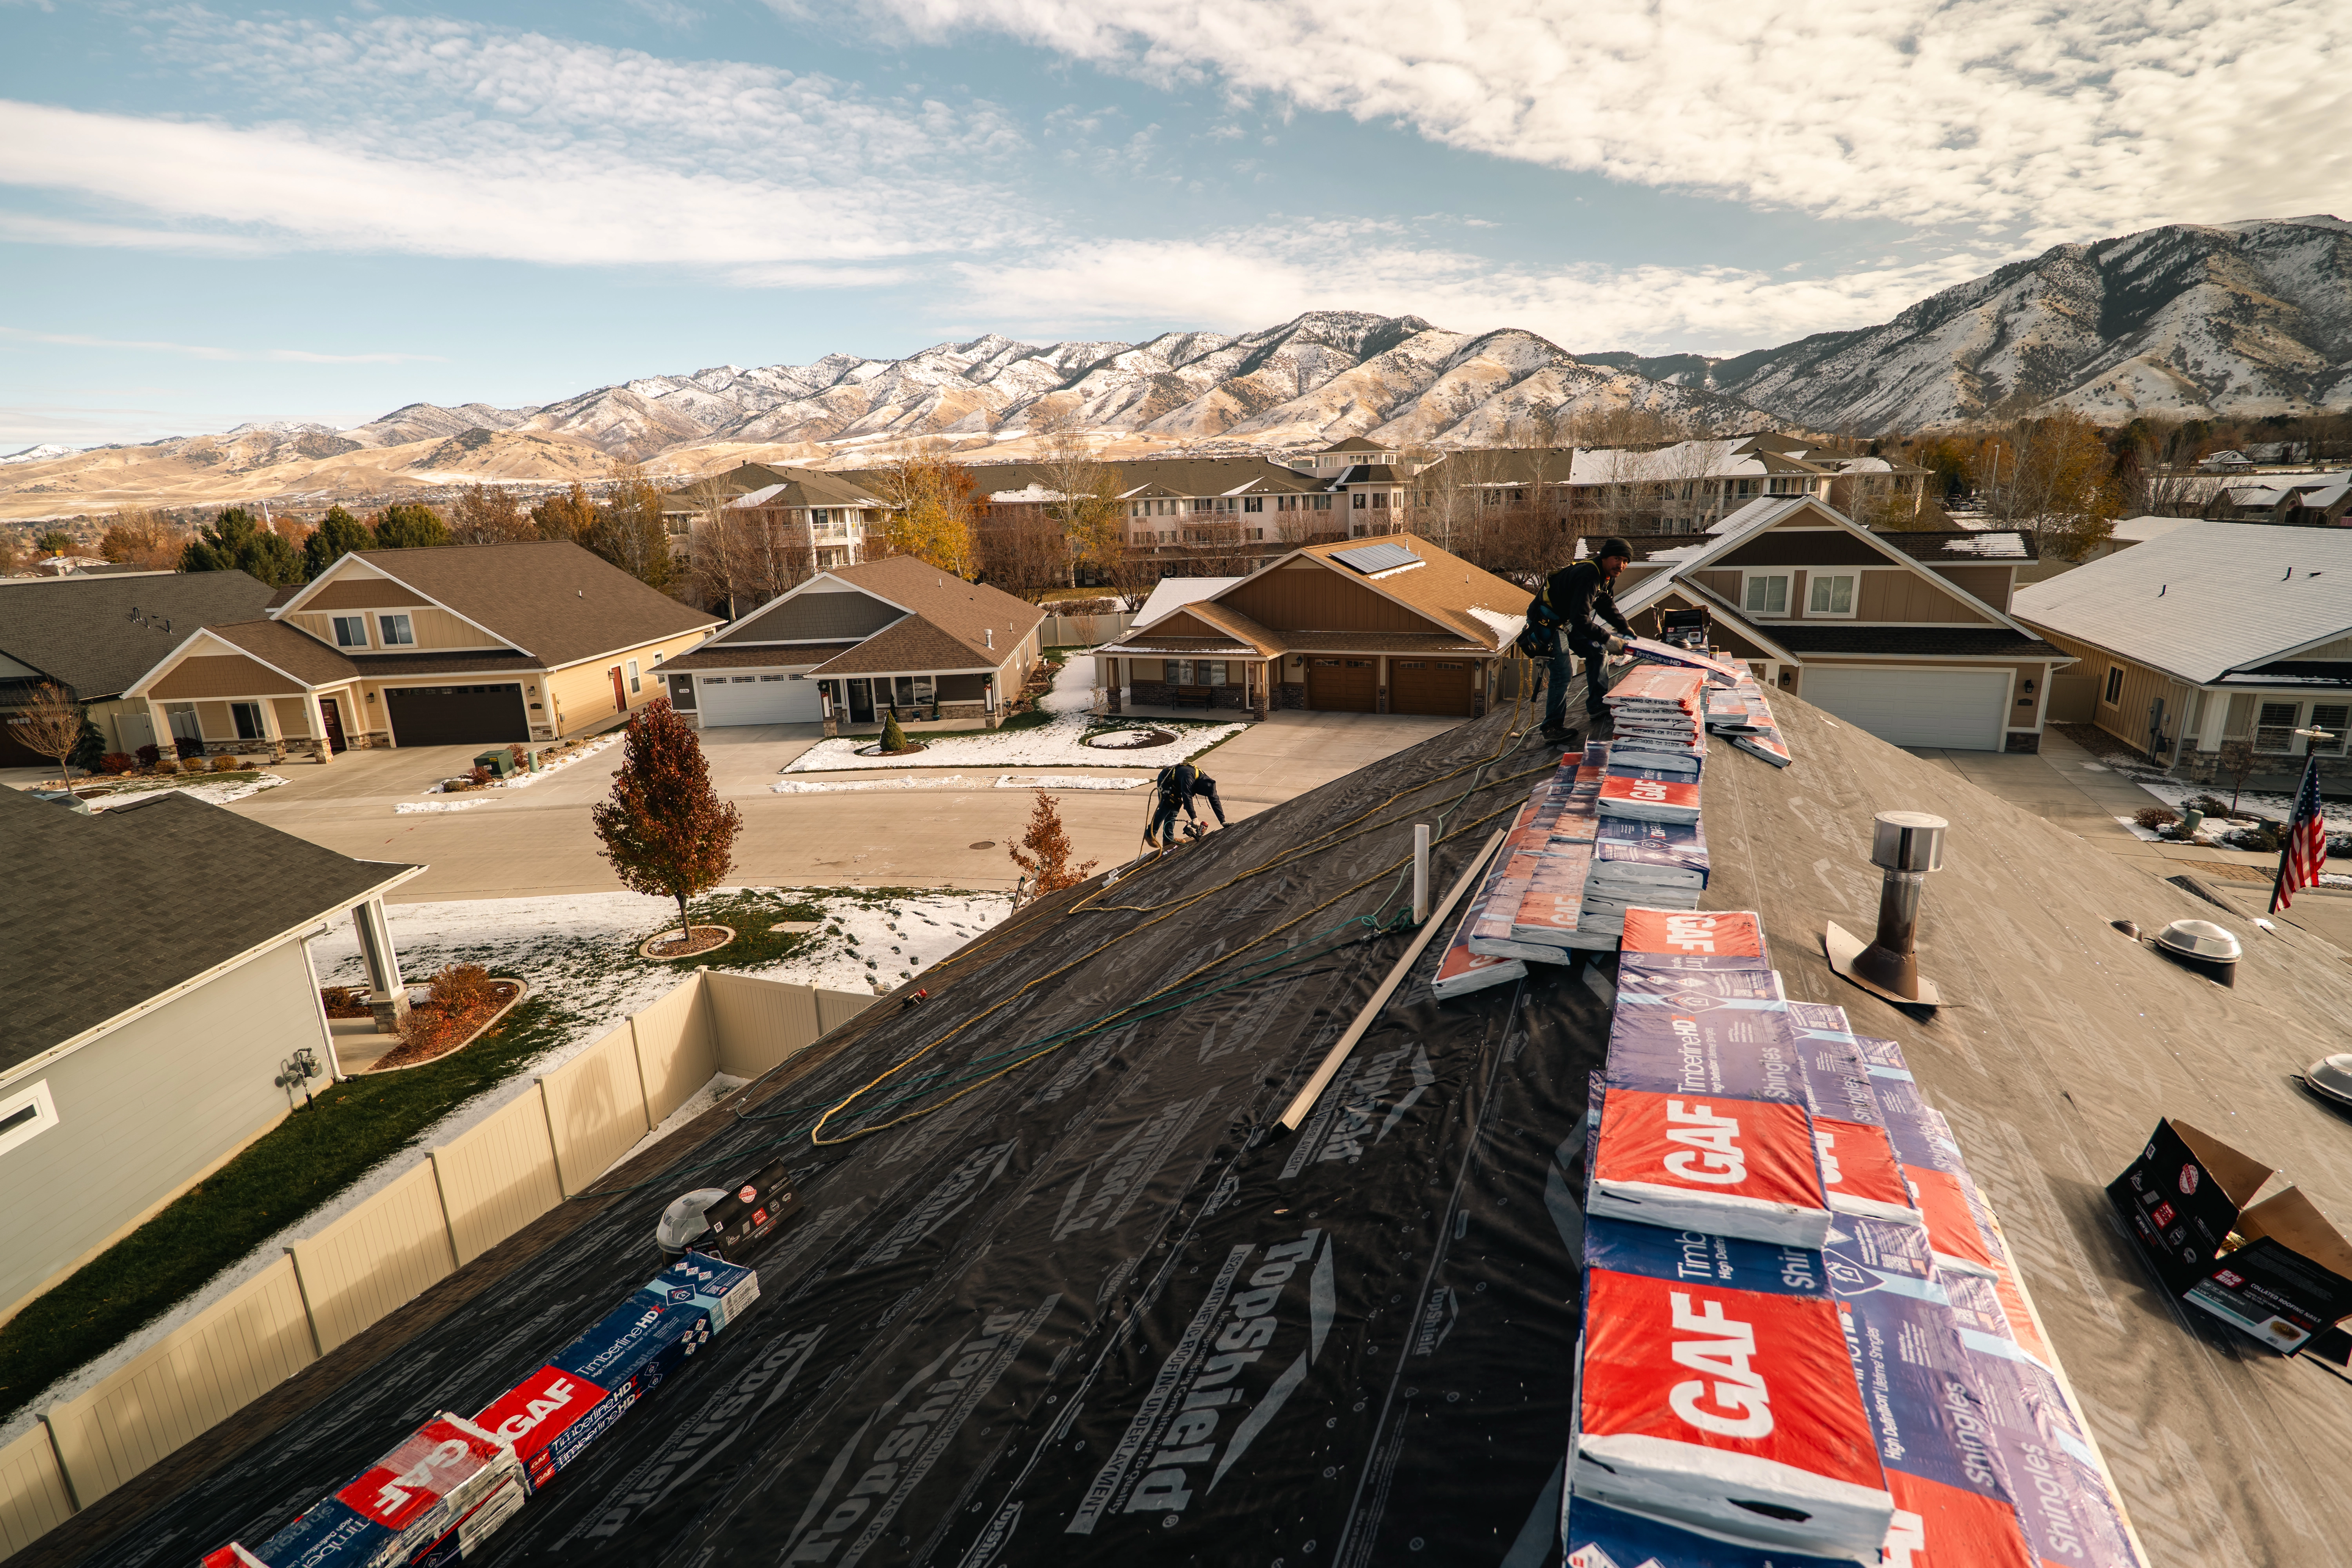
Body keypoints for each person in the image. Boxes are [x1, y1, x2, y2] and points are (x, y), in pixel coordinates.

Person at [1539, 538, 1633, 740]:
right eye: (1617, 559)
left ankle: (1598, 706)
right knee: (1563, 672)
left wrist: (1624, 627)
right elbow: (1580, 618)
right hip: (1548, 623)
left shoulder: (1607, 576)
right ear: (1604, 557)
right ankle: (1552, 727)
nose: (1622, 565)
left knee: (1598, 651)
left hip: (1567, 621)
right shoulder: (1588, 574)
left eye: (1626, 561)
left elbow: (1605, 604)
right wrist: (1608, 638)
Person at [1145, 762, 1226, 846]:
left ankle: (1168, 839)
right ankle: (1150, 835)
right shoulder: (1189, 778)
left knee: (1174, 811)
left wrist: (1223, 821)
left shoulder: (1208, 783)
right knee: (1166, 807)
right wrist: (1194, 818)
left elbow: (1215, 801)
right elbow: (1187, 798)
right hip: (1166, 780)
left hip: (1177, 783)